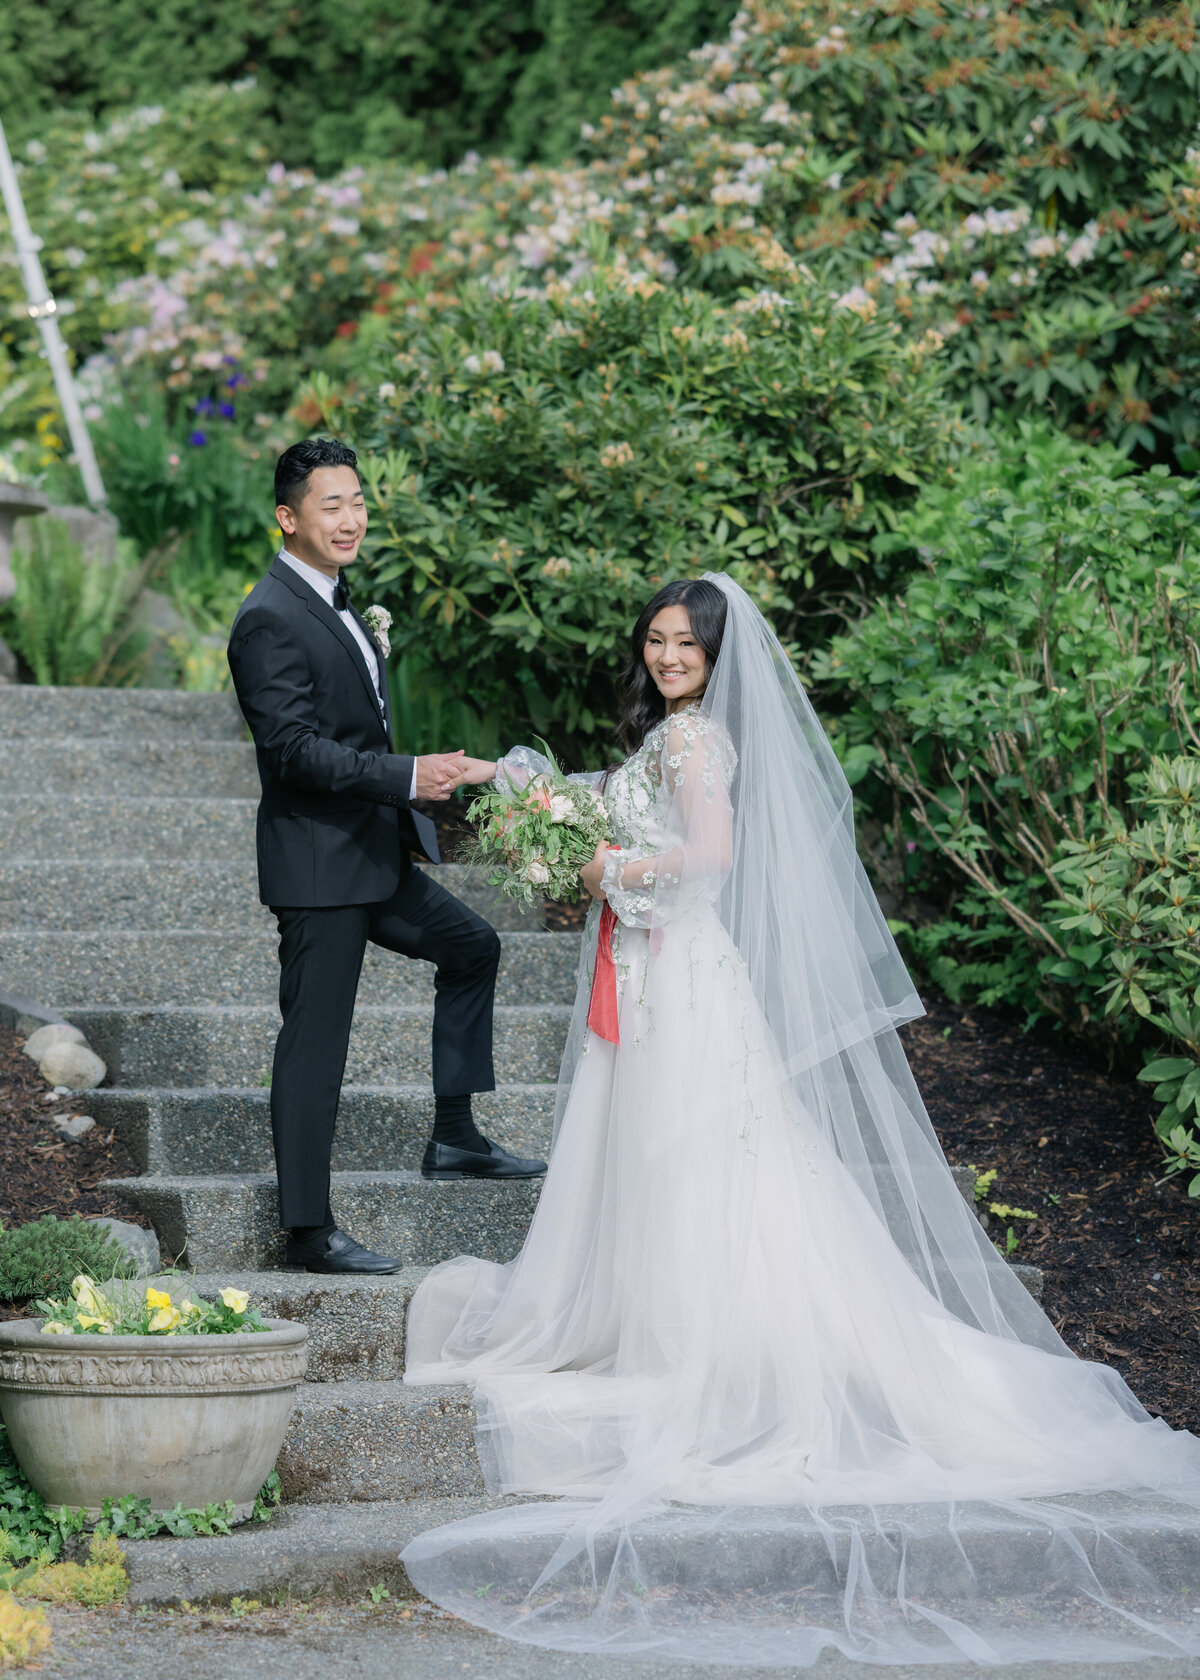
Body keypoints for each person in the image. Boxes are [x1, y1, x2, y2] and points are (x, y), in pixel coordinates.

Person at [399, 572, 1200, 1665]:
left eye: (686, 643)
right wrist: (521, 786)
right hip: (652, 974)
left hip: (680, 981)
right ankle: (662, 1324)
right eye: (656, 640)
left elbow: (710, 861)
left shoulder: (694, 745)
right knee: (664, 1160)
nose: (669, 656)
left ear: (719, 657)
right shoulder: (672, 738)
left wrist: (606, 866)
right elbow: (604, 795)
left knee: (695, 1159)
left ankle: (709, 1339)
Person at [226, 437, 545, 1277]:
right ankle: (307, 1233)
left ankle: (455, 1136)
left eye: (358, 501)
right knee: (315, 1044)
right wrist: (406, 776)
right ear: (287, 519)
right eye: (330, 505)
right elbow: (292, 751)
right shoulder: (268, 616)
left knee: (474, 947)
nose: (352, 518)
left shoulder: (340, 600)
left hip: (374, 858)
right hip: (319, 869)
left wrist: (405, 792)